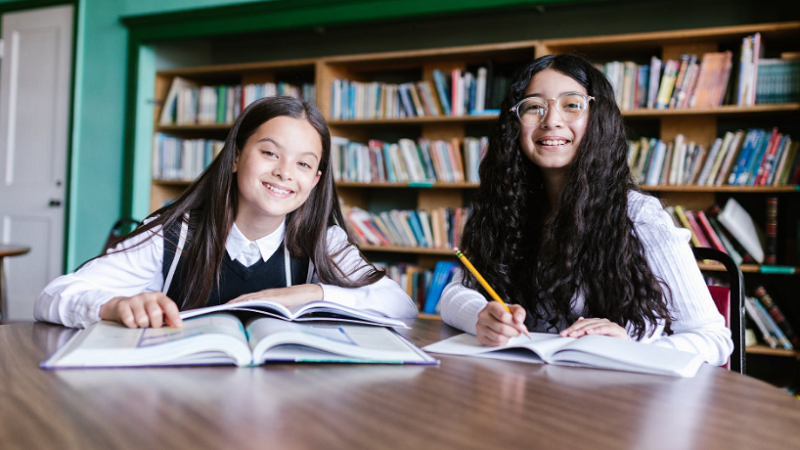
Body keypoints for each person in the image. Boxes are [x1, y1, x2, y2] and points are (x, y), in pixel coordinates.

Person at [440, 54, 733, 366]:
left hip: (619, 402)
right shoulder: (507, 207)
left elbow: (713, 338)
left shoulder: (639, 216)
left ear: (597, 118)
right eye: (534, 106)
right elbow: (453, 295)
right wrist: (482, 316)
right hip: (529, 391)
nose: (551, 120)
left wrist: (630, 346)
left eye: (571, 104)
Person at [36, 96, 417, 329]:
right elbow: (53, 296)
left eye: (303, 164)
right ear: (235, 157)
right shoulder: (173, 234)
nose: (285, 172)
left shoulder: (321, 240)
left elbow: (399, 305)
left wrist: (307, 294)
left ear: (316, 180)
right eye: (269, 153)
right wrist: (115, 305)